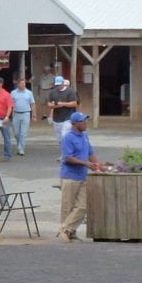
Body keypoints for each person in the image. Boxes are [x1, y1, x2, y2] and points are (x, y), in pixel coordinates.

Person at [57, 112, 100, 243]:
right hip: (70, 176)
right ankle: (69, 233)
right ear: (75, 124)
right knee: (67, 206)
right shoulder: (67, 138)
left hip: (82, 176)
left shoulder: (85, 136)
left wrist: (98, 166)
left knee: (83, 205)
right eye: (83, 121)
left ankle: (65, 229)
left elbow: (91, 153)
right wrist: (86, 163)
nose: (86, 123)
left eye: (86, 121)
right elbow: (68, 158)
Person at [47, 75, 78, 146]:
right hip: (57, 118)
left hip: (68, 117)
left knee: (65, 135)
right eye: (56, 85)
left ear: (63, 83)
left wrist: (63, 104)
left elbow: (74, 103)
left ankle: (66, 153)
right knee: (59, 137)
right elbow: (49, 103)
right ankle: (65, 150)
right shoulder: (52, 92)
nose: (58, 86)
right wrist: (54, 106)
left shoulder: (70, 91)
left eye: (59, 84)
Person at [10, 78, 37, 156]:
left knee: (23, 133)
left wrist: (34, 115)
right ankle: (19, 145)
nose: (23, 85)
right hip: (16, 114)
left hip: (26, 114)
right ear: (18, 84)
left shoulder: (29, 93)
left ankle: (21, 149)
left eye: (24, 83)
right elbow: (10, 105)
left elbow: (32, 104)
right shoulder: (13, 93)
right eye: (21, 83)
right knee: (16, 133)